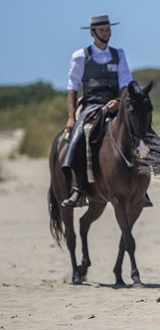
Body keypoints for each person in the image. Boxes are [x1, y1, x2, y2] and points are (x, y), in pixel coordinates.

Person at [61, 15, 135, 207]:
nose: (106, 33)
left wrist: (119, 101)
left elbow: (125, 83)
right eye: (102, 30)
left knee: (137, 128)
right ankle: (78, 188)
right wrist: (71, 118)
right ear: (92, 33)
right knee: (79, 135)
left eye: (108, 29)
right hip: (91, 107)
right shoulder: (81, 56)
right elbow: (73, 87)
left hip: (115, 106)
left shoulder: (119, 54)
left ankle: (140, 185)